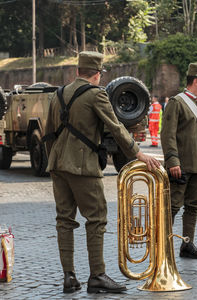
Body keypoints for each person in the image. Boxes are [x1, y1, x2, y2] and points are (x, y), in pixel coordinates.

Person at [44, 51, 160, 294]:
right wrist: (138, 153)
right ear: (97, 74)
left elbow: (49, 134)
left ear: (77, 71)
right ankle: (97, 276)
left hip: (58, 165)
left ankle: (69, 277)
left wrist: (55, 159)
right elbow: (116, 128)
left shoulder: (57, 95)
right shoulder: (96, 95)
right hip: (83, 166)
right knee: (96, 219)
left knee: (64, 221)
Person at [161, 62, 197, 259]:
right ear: (196, 80)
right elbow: (167, 134)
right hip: (181, 165)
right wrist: (172, 161)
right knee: (173, 206)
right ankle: (164, 245)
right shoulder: (177, 102)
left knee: (193, 206)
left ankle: (187, 244)